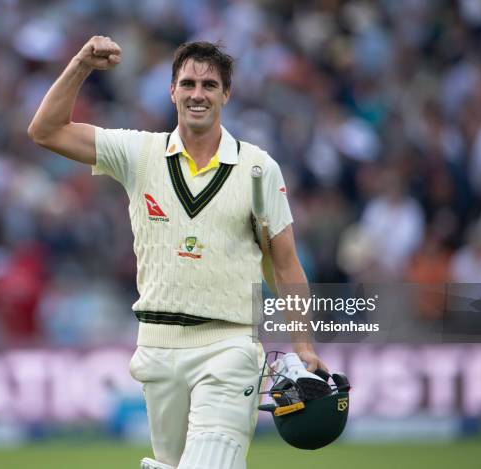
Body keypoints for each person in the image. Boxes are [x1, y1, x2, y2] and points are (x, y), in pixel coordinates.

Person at [28, 36, 327, 469]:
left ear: (227, 93)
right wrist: (80, 65)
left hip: (230, 346)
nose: (197, 94)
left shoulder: (258, 169)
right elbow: (45, 131)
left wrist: (303, 344)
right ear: (171, 91)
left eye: (209, 85)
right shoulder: (140, 153)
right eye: (187, 84)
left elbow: (284, 262)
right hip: (156, 348)